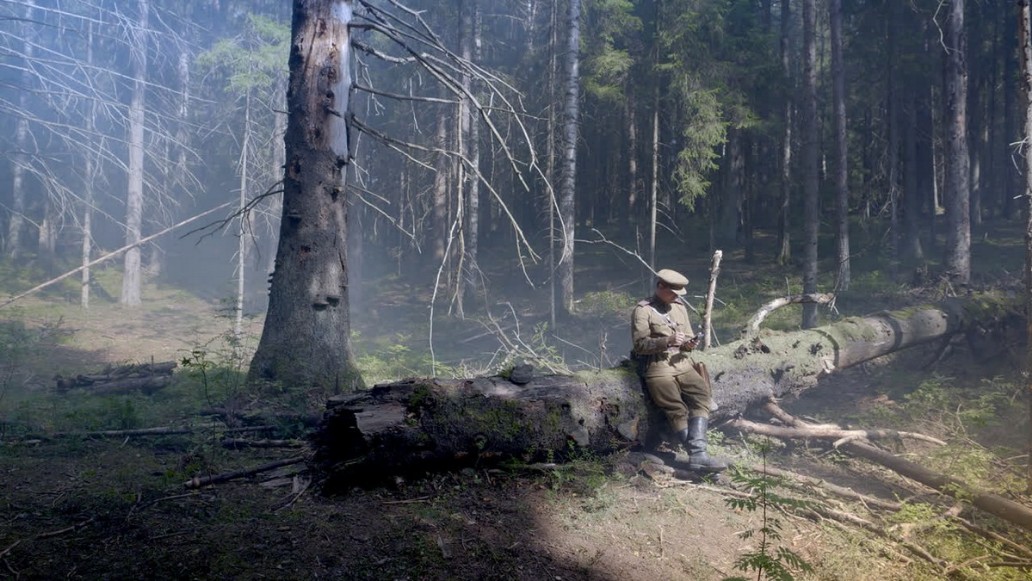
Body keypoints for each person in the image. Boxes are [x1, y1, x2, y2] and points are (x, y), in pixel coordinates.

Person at [631, 269, 728, 472]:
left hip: (682, 363)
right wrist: (667, 341)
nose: (676, 296)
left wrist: (690, 344)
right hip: (658, 367)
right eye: (673, 292)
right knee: (676, 409)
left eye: (678, 293)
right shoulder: (643, 310)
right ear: (660, 287)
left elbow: (688, 337)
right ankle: (698, 455)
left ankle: (698, 455)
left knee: (702, 396)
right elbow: (640, 345)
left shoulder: (678, 306)